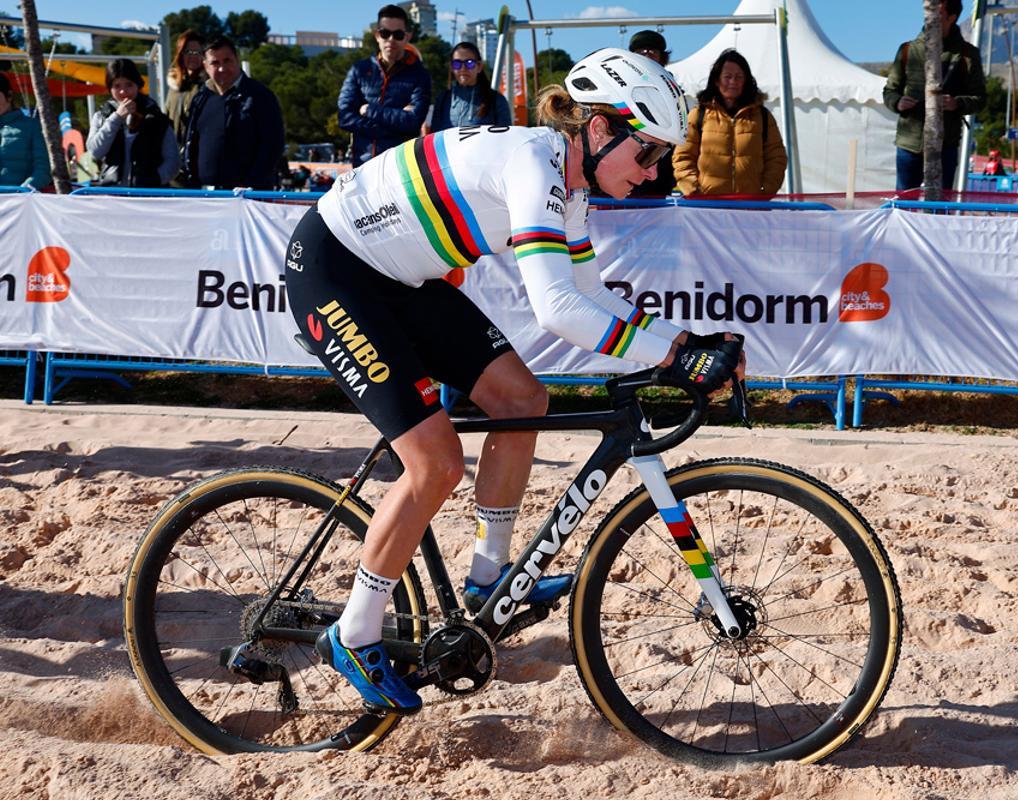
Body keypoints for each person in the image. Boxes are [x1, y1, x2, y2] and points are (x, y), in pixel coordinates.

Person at [284, 48, 744, 713]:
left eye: (660, 161)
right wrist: (673, 358)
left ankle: (489, 579)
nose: (651, 174)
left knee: (523, 399)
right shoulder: (535, 166)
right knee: (436, 464)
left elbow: (591, 295)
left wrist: (683, 343)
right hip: (336, 272)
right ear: (598, 129)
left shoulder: (574, 190)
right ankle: (354, 632)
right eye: (646, 155)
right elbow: (558, 311)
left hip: (400, 281)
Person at [882, 0, 986, 191]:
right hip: (909, 145)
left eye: (936, 14)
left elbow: (980, 98)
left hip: (945, 144)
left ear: (952, 18)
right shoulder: (907, 50)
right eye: (928, 13)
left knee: (939, 208)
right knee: (904, 203)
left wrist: (957, 103)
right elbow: (889, 91)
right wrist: (897, 102)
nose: (930, 19)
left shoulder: (967, 54)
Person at [672, 49, 786, 197]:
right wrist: (694, 190)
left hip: (751, 207)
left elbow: (776, 157)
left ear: (746, 81)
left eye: (739, 77)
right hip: (707, 207)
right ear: (716, 80)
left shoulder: (762, 116)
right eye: (728, 77)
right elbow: (682, 156)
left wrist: (765, 190)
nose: (733, 82)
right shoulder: (698, 115)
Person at [182, 36, 285, 190]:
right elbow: (191, 144)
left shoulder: (260, 96)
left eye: (227, 60)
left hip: (247, 199)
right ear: (205, 66)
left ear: (237, 60)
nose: (222, 68)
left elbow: (273, 145)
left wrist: (253, 185)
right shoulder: (199, 99)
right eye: (215, 63)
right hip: (205, 197)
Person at [338, 5, 431, 166]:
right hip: (362, 168)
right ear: (377, 35)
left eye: (398, 34)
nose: (391, 40)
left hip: (399, 168)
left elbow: (413, 122)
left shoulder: (420, 76)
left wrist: (368, 110)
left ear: (407, 37)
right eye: (385, 33)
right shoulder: (359, 70)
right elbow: (344, 117)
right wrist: (394, 125)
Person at [87, 59, 179, 187]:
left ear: (138, 85)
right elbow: (94, 152)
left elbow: (172, 161)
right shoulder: (101, 116)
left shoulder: (157, 118)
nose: (123, 92)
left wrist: (152, 182)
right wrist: (116, 118)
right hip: (113, 194)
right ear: (109, 88)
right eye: (117, 86)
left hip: (148, 196)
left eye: (129, 85)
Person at [626, 29, 677, 196]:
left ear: (662, 58)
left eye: (653, 51)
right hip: (622, 173)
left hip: (659, 178)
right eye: (641, 51)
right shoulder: (619, 87)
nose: (646, 54)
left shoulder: (674, 92)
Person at [426, 41, 510, 132]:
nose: (463, 69)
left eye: (469, 63)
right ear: (451, 67)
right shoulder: (442, 99)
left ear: (479, 66)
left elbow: (505, 138)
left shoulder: (496, 100)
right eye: (457, 64)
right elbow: (435, 138)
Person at [0, 72, 50, 189]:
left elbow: (43, 169)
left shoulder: (33, 126)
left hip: (19, 201)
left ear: (9, 96)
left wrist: (23, 192)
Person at [163, 31, 205, 148]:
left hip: (199, 153)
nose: (193, 56)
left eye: (198, 52)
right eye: (188, 52)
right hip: (174, 153)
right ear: (180, 54)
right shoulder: (174, 85)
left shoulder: (210, 86)